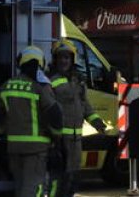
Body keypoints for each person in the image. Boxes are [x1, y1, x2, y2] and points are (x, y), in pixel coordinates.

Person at [0, 46, 63, 197]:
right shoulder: (39, 87)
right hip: (36, 149)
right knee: (32, 189)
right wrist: (57, 136)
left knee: (20, 188)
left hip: (14, 148)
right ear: (40, 64)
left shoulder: (8, 85)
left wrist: (1, 129)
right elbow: (54, 113)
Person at [48, 40, 108, 197]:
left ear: (72, 59)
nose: (64, 61)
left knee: (73, 179)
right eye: (60, 57)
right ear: (55, 60)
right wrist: (52, 137)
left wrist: (97, 122)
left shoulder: (78, 81)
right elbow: (47, 109)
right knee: (58, 179)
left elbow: (85, 105)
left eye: (67, 57)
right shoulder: (50, 81)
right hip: (59, 140)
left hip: (76, 140)